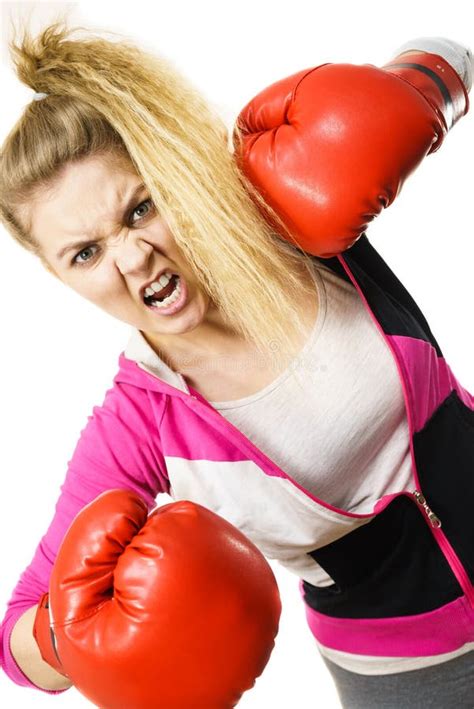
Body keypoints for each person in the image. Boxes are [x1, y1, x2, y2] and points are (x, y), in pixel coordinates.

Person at [0, 20, 473, 708]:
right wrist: (63, 637)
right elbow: (17, 641)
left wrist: (418, 91)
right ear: (56, 273)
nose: (133, 259)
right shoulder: (139, 424)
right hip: (409, 675)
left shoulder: (290, 219)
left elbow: (454, 57)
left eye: (141, 209)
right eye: (86, 252)